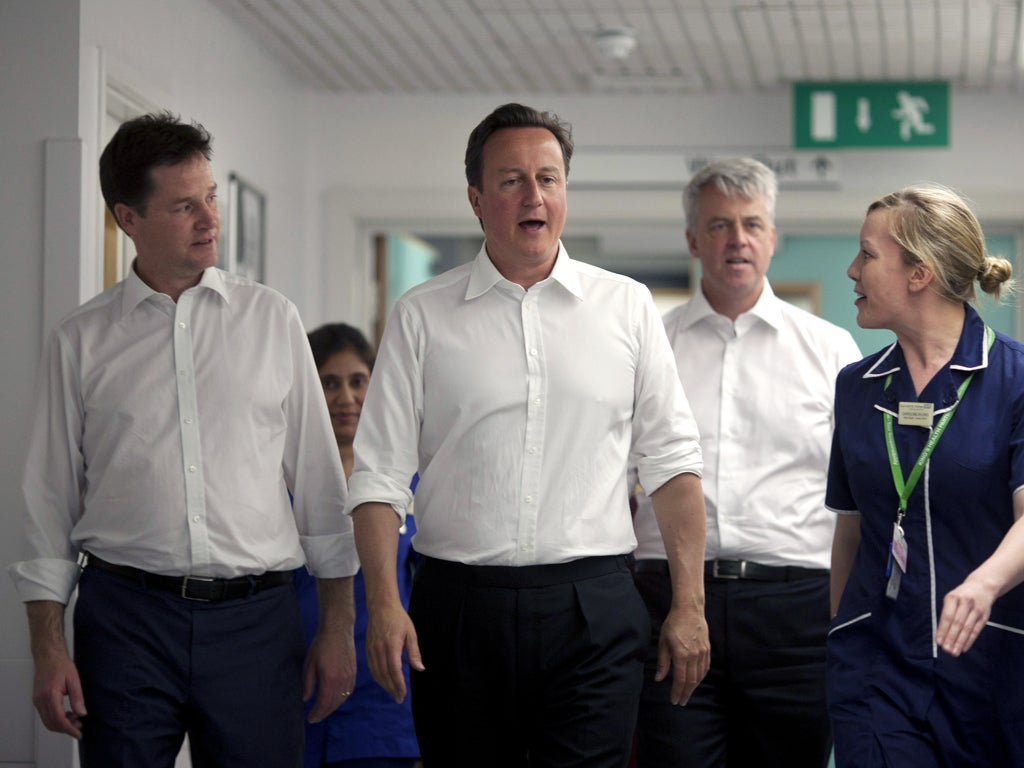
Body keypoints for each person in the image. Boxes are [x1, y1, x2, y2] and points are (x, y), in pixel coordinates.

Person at [344, 102, 709, 768]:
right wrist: (384, 604)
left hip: (592, 609)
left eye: (549, 178)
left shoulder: (626, 307)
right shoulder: (423, 315)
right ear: (477, 200)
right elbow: (377, 477)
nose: (533, 195)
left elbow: (673, 464)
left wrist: (690, 603)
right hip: (457, 611)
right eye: (511, 180)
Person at [7, 112, 358, 767]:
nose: (209, 220)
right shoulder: (80, 341)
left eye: (211, 198)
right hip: (125, 622)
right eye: (184, 206)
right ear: (128, 218)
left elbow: (319, 488)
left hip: (257, 624)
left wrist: (339, 630)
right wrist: (48, 649)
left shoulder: (272, 320)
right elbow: (47, 502)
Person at [631, 157, 861, 767]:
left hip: (796, 612)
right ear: (691, 239)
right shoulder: (653, 345)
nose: (738, 239)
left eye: (753, 224)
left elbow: (858, 496)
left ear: (773, 238)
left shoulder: (831, 348)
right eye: (719, 225)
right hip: (670, 599)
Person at [827, 184, 1024, 765]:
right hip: (875, 665)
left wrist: (984, 584)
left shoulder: (1013, 379)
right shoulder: (856, 387)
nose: (851, 270)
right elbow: (853, 528)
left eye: (867, 255)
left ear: (920, 274)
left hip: (991, 664)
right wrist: (841, 630)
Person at [294, 322, 420, 767]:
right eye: (329, 383)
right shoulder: (281, 486)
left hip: (383, 692)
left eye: (357, 382)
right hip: (298, 680)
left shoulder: (410, 487)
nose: (345, 397)